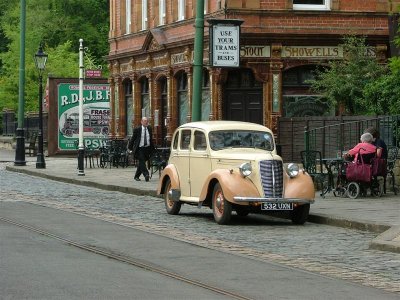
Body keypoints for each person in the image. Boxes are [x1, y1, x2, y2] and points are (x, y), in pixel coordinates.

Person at [128, 117, 154, 182]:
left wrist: (152, 149)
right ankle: (146, 174)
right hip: (139, 148)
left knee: (141, 163)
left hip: (147, 148)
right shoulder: (137, 129)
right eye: (145, 121)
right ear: (141, 122)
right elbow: (133, 139)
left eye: (147, 121)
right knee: (142, 160)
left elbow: (150, 139)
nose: (146, 122)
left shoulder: (149, 128)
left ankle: (136, 176)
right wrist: (130, 148)